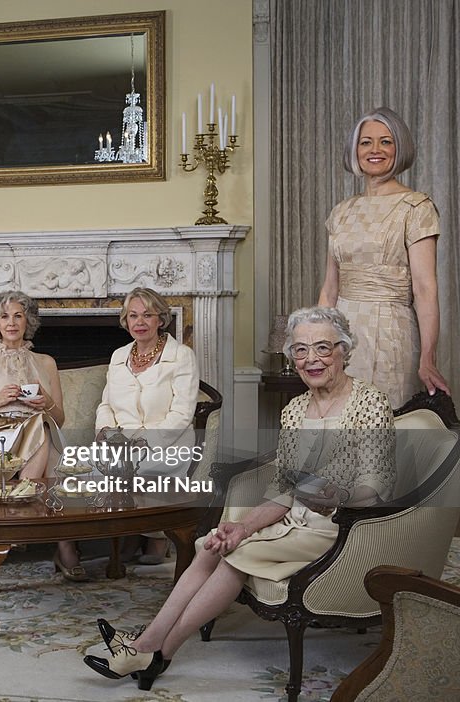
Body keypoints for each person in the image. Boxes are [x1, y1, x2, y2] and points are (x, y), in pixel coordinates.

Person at [85, 306, 395, 691]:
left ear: (344, 350)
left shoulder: (369, 402)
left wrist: (342, 495)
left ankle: (151, 649)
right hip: (294, 523)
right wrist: (241, 526)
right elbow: (284, 490)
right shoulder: (295, 410)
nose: (310, 359)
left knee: (234, 558)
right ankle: (151, 651)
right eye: (300, 350)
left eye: (322, 347)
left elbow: (378, 485)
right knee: (213, 544)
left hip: (344, 529)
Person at [318, 106, 450, 407]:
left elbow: (425, 288)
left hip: (391, 333)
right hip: (342, 334)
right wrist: (318, 343)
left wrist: (428, 357)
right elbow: (329, 289)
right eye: (366, 142)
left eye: (385, 141)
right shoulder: (341, 212)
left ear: (399, 147)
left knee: (384, 427)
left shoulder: (416, 207)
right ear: (355, 150)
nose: (375, 149)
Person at [0, 291, 79, 578]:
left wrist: (45, 402)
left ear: (28, 321)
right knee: (49, 442)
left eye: (18, 315)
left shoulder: (46, 362)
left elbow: (59, 417)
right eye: (4, 316)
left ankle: (20, 517)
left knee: (44, 424)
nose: (11, 323)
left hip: (36, 432)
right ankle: (65, 546)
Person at [95, 286, 199, 563]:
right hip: (121, 442)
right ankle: (126, 537)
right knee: (88, 469)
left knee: (138, 469)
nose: (139, 322)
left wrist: (144, 444)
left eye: (147, 315)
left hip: (168, 441)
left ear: (161, 320)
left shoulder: (182, 356)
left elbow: (182, 413)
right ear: (125, 320)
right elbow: (105, 405)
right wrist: (106, 434)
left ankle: (154, 540)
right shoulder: (118, 356)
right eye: (133, 316)